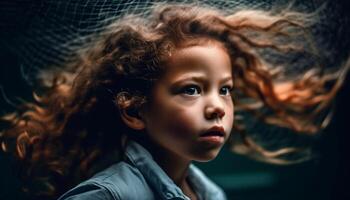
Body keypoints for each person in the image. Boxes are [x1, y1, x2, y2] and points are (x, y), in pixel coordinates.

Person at [0, 3, 347, 200]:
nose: (217, 107)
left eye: (224, 89)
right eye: (192, 90)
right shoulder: (106, 197)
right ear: (135, 110)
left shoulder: (210, 195)